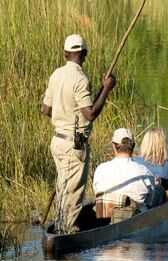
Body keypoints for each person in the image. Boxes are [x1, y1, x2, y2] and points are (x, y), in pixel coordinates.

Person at [41, 34, 116, 233]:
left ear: (65, 54)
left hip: (57, 141)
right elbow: (90, 114)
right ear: (84, 54)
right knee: (73, 192)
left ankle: (59, 226)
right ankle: (67, 232)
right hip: (75, 144)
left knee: (63, 188)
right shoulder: (80, 79)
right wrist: (106, 90)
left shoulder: (56, 75)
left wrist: (64, 115)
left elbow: (45, 109)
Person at [93, 128, 158, 220]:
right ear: (133, 146)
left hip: (104, 219)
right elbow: (151, 200)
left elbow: (97, 192)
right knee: (158, 190)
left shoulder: (100, 169)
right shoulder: (144, 171)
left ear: (113, 146)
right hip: (136, 219)